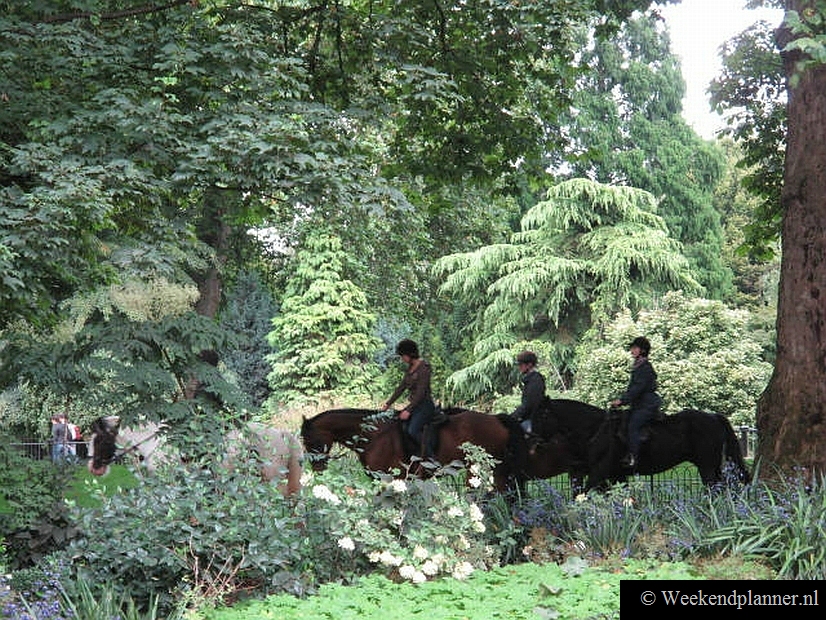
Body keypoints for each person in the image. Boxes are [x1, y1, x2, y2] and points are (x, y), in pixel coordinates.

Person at [610, 336, 663, 469]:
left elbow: (638, 388)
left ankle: (633, 457)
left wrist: (622, 400)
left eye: (635, 348)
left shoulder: (644, 367)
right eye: (632, 348)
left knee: (633, 426)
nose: (632, 350)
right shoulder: (639, 366)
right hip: (640, 404)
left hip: (647, 405)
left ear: (642, 350)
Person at [381, 339, 436, 459]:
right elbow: (401, 387)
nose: (402, 359)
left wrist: (408, 410)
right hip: (415, 405)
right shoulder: (410, 369)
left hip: (425, 405)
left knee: (412, 430)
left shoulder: (424, 368)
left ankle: (431, 457)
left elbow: (420, 393)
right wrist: (388, 403)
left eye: (403, 356)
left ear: (411, 354)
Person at [511, 351, 547, 436]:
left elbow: (529, 404)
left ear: (529, 365)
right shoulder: (531, 380)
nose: (519, 367)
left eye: (521, 364)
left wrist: (512, 417)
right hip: (529, 417)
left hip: (533, 420)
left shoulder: (535, 380)